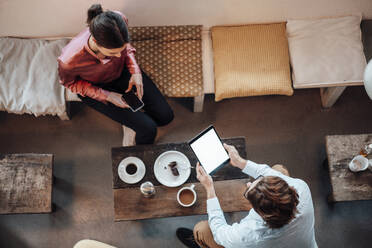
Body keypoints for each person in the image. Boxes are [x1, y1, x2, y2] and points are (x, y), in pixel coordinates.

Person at [58, 4, 173, 145]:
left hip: (123, 73)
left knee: (166, 117)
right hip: (95, 87)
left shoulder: (119, 20)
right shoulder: (69, 59)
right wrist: (107, 96)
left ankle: (132, 122)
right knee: (148, 129)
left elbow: (127, 50)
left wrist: (135, 71)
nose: (119, 55)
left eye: (120, 50)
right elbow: (70, 83)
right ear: (95, 41)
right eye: (113, 53)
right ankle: (138, 137)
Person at [177, 144, 317, 248]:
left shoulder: (250, 235)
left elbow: (220, 233)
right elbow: (268, 172)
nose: (249, 184)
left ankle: (201, 243)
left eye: (248, 191)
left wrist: (209, 188)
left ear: (260, 213)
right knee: (278, 170)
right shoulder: (302, 188)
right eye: (260, 179)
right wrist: (240, 162)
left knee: (202, 230)